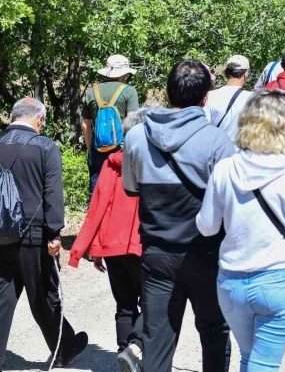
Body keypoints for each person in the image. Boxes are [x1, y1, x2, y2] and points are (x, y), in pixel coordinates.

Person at [196, 90, 285, 371]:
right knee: (264, 363)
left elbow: (207, 227)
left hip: (232, 282)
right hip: (278, 280)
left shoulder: (225, 169)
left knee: (251, 357)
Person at [123, 59, 236, 372]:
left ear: (169, 93)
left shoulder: (135, 137)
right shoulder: (218, 141)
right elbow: (229, 204)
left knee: (156, 343)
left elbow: (131, 190)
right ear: (205, 98)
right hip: (206, 255)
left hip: (156, 255)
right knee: (214, 333)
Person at [0, 98, 88, 369]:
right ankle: (63, 348)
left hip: (1, 233)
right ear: (39, 120)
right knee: (44, 294)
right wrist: (54, 233)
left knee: (2, 296)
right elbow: (52, 193)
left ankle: (67, 343)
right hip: (33, 234)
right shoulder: (45, 147)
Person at [69, 109, 151, 372]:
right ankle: (134, 348)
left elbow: (98, 207)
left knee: (125, 304)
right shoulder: (154, 161)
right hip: (143, 244)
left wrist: (90, 249)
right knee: (154, 302)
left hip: (112, 245)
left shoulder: (111, 162)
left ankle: (123, 353)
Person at [82, 54, 140, 198]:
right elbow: (132, 122)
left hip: (97, 147)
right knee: (119, 192)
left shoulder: (92, 91)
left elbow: (85, 125)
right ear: (124, 74)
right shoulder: (129, 91)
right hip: (120, 149)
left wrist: (90, 149)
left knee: (96, 192)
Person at [206, 55, 252, 142]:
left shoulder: (209, 96)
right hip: (240, 151)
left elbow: (205, 127)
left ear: (226, 73)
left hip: (216, 151)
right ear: (245, 74)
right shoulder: (252, 99)